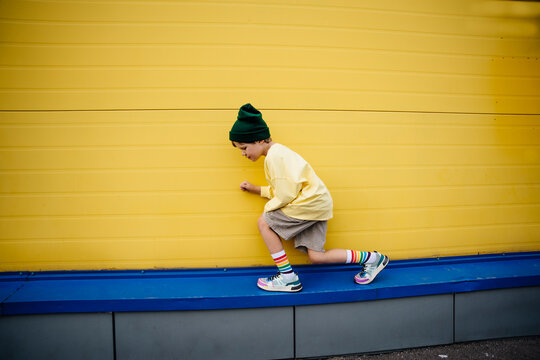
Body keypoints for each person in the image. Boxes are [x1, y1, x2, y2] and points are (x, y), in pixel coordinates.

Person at [229, 103, 389, 292]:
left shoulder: (274, 158)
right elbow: (285, 189)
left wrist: (267, 209)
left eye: (244, 147)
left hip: (307, 205)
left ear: (259, 140)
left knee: (264, 222)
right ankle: (373, 259)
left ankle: (288, 278)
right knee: (317, 257)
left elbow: (285, 194)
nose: (243, 153)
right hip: (316, 204)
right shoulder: (279, 153)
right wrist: (257, 190)